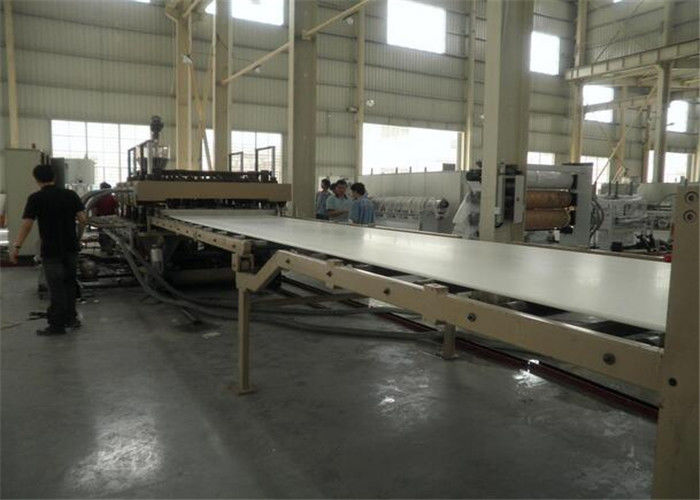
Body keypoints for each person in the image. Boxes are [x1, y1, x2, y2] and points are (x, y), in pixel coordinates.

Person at [10, 164, 88, 336]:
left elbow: (27, 224)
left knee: (56, 287)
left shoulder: (36, 198)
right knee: (69, 284)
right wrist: (78, 237)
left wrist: (17, 246)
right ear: (55, 177)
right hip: (71, 248)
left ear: (36, 179)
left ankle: (57, 326)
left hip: (51, 250)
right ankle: (71, 319)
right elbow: (83, 219)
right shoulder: (70, 195)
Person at [93, 182, 118, 254]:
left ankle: (105, 248)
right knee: (111, 234)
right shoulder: (112, 197)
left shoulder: (97, 197)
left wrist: (94, 218)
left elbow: (94, 209)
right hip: (111, 219)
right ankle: (111, 248)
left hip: (101, 219)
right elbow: (117, 208)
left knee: (103, 234)